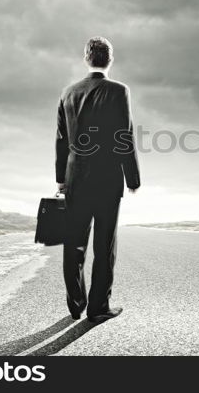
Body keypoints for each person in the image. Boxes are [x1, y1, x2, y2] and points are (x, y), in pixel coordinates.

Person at [55, 36, 140, 322]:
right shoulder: (119, 91)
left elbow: (61, 141)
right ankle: (98, 308)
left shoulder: (68, 93)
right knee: (104, 246)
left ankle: (75, 305)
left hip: (75, 178)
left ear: (86, 59)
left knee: (74, 244)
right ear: (110, 59)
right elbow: (123, 136)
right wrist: (133, 177)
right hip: (107, 180)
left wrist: (60, 179)